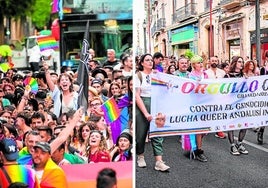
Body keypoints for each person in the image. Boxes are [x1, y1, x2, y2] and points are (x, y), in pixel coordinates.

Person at [135, 53, 170, 171]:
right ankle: (140, 155)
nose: (150, 62)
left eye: (151, 60)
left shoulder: (157, 75)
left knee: (157, 133)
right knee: (141, 133)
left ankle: (159, 161)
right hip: (143, 104)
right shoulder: (138, 76)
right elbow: (137, 96)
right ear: (142, 63)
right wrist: (145, 113)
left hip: (157, 104)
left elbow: (166, 88)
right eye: (147, 60)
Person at [186, 55, 208, 162]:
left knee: (205, 129)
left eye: (201, 62)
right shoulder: (190, 76)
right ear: (193, 65)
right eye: (198, 62)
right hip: (194, 104)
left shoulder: (205, 74)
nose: (200, 64)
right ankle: (198, 150)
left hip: (206, 104)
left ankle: (194, 146)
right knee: (199, 128)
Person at [224, 56, 248, 155]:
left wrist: (247, 80)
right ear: (234, 63)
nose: (241, 64)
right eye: (239, 62)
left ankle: (240, 143)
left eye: (242, 62)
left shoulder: (244, 75)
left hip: (242, 104)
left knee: (245, 124)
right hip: (231, 104)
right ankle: (232, 145)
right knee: (231, 125)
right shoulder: (227, 76)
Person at [205, 56, 227, 139]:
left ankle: (219, 130)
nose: (214, 62)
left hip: (220, 96)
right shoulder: (206, 72)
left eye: (216, 61)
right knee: (209, 112)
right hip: (209, 96)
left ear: (218, 62)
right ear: (209, 62)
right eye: (212, 61)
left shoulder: (222, 72)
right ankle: (207, 127)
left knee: (219, 113)